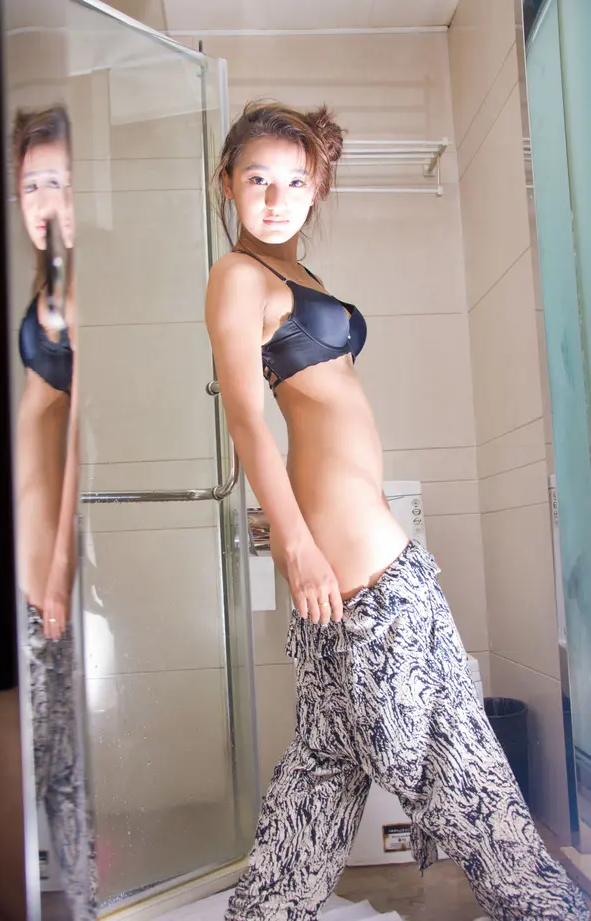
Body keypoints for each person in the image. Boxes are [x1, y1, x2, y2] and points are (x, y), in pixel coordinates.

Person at [205, 101, 589, 921]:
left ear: (317, 188)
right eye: (257, 179)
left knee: (322, 774)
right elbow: (246, 420)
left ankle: (267, 912)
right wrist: (298, 546)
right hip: (360, 579)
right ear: (226, 183)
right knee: (465, 772)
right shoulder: (237, 276)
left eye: (295, 181)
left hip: (367, 570)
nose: (275, 198)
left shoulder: (299, 277)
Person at [12, 104, 96, 920]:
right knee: (49, 757)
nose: (45, 200)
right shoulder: (52, 279)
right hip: (31, 553)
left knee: (52, 761)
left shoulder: (79, 283)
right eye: (32, 183)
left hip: (45, 564)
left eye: (60, 182)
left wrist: (60, 567)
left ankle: (84, 899)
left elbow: (78, 431)